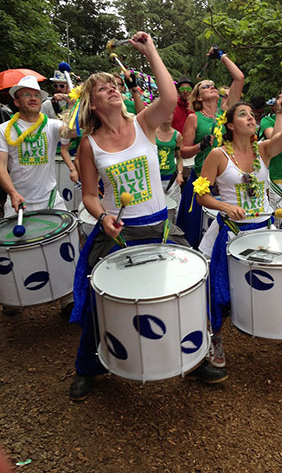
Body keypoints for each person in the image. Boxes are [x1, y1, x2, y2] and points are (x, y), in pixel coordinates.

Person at [69, 32, 227, 401]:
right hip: (119, 232)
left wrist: (150, 49)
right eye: (102, 88)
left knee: (189, 285)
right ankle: (88, 366)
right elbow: (90, 196)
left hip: (160, 225)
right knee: (100, 299)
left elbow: (171, 97)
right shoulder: (89, 146)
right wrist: (102, 217)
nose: (111, 89)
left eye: (113, 85)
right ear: (90, 103)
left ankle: (197, 352)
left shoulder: (143, 124)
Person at [196, 85, 282, 366]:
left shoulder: (263, 150)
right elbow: (201, 194)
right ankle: (214, 337)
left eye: (252, 115)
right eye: (243, 114)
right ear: (229, 124)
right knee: (220, 289)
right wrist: (224, 206)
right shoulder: (217, 156)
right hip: (231, 233)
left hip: (264, 230)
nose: (251, 118)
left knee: (280, 282)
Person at [0, 75, 78, 316]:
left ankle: (66, 297)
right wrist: (12, 192)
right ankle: (14, 298)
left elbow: (75, 130)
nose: (33, 98)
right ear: (16, 101)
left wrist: (73, 103)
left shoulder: (52, 125)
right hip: (18, 200)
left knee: (62, 248)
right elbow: (1, 167)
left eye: (36, 94)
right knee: (14, 251)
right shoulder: (4, 130)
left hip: (50, 198)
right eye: (26, 94)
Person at [177, 46, 244, 248]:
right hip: (203, 182)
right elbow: (183, 151)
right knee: (195, 235)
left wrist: (222, 56)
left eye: (213, 85)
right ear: (198, 97)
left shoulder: (226, 114)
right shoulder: (193, 118)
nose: (212, 87)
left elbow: (239, 78)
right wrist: (200, 145)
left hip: (226, 182)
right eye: (206, 86)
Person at [156, 114, 184, 213]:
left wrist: (180, 173)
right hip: (155, 179)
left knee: (174, 211)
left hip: (171, 180)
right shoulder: (152, 133)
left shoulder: (177, 135)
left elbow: (179, 158)